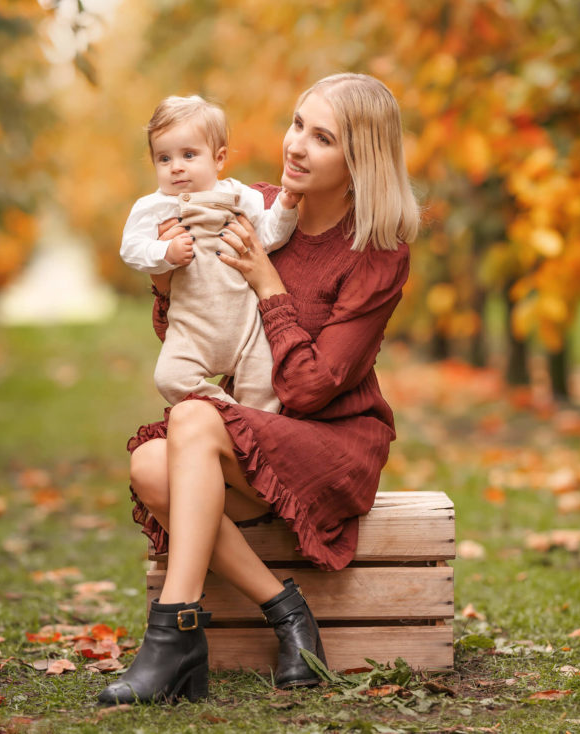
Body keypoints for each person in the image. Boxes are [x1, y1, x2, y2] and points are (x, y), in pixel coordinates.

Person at [98, 73, 420, 706]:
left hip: (332, 441)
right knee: (148, 465)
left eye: (322, 138)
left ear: (359, 162)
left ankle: (173, 636)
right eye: (298, 123)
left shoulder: (377, 251)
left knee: (191, 418)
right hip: (255, 424)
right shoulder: (251, 203)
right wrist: (167, 274)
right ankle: (287, 612)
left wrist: (267, 282)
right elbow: (191, 324)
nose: (296, 145)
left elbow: (310, 390)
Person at [120, 95, 300, 412]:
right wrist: (165, 252)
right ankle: (228, 413)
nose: (176, 167)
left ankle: (250, 429)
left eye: (188, 155)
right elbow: (131, 249)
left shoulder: (239, 196)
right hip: (191, 331)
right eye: (164, 159)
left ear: (218, 159)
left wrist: (284, 208)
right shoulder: (154, 207)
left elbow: (269, 238)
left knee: (265, 388)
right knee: (169, 378)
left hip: (245, 328)